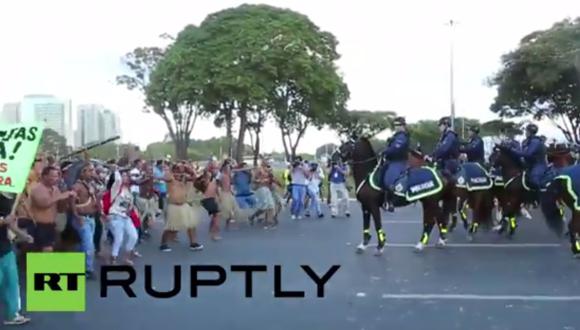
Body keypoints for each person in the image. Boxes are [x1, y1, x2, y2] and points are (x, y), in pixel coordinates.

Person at [0, 193, 33, 326]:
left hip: (5, 247)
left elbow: (10, 223)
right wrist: (3, 221)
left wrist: (24, 235)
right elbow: (5, 221)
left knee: (11, 282)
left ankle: (12, 314)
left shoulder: (9, 198)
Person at [29, 166, 77, 252]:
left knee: (50, 251)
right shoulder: (37, 189)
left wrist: (67, 199)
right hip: (39, 225)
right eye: (53, 176)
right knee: (46, 251)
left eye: (57, 176)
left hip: (51, 225)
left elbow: (60, 209)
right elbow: (43, 204)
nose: (56, 178)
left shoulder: (55, 189)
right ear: (44, 176)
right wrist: (61, 196)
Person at [159, 164, 203, 251]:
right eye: (178, 169)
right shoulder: (170, 178)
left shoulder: (184, 178)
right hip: (173, 206)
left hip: (184, 205)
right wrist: (172, 173)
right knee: (171, 228)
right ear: (174, 170)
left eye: (181, 170)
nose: (179, 171)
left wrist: (190, 170)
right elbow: (165, 178)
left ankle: (193, 243)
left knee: (191, 224)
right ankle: (163, 244)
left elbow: (195, 178)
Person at [103, 170, 140, 265]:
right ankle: (113, 257)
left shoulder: (129, 191)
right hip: (115, 215)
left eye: (126, 176)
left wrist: (131, 210)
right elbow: (118, 179)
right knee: (119, 237)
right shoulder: (116, 188)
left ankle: (127, 257)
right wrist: (117, 169)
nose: (125, 178)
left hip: (125, 217)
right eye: (123, 176)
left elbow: (130, 205)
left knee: (134, 236)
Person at [71, 163, 99, 279]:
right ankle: (88, 269)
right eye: (89, 171)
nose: (92, 173)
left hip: (91, 218)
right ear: (82, 172)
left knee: (85, 244)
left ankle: (80, 266)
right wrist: (77, 216)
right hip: (83, 219)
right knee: (89, 245)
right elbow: (71, 202)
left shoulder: (90, 185)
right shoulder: (76, 186)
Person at [507, 123, 548, 190]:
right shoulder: (526, 142)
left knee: (534, 180)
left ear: (529, 132)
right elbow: (520, 151)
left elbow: (527, 154)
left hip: (538, 165)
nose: (525, 133)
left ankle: (540, 197)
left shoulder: (535, 142)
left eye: (526, 131)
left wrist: (511, 150)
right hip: (529, 165)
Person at [382, 117, 410, 212]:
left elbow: (395, 148)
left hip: (398, 162)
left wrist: (385, 152)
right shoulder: (396, 136)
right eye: (395, 125)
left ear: (402, 126)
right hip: (392, 161)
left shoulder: (402, 136)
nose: (396, 127)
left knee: (389, 180)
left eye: (398, 125)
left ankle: (391, 202)